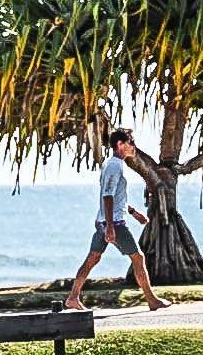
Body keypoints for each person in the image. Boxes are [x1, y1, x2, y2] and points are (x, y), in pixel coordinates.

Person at [64, 127, 171, 312]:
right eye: (130, 142)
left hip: (104, 221)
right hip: (113, 224)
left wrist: (133, 212)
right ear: (120, 145)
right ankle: (152, 300)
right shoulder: (114, 166)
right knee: (138, 258)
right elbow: (107, 196)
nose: (133, 146)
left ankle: (73, 297)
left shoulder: (113, 164)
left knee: (92, 259)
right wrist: (111, 227)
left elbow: (115, 196)